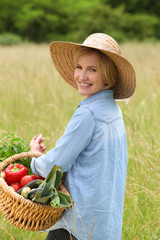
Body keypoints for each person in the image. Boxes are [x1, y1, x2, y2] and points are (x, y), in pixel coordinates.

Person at [30, 33, 136, 240]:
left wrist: (34, 158)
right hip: (103, 227)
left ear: (107, 76)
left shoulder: (89, 114)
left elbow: (55, 166)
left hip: (76, 225)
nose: (82, 76)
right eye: (79, 67)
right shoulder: (113, 111)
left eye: (92, 70)